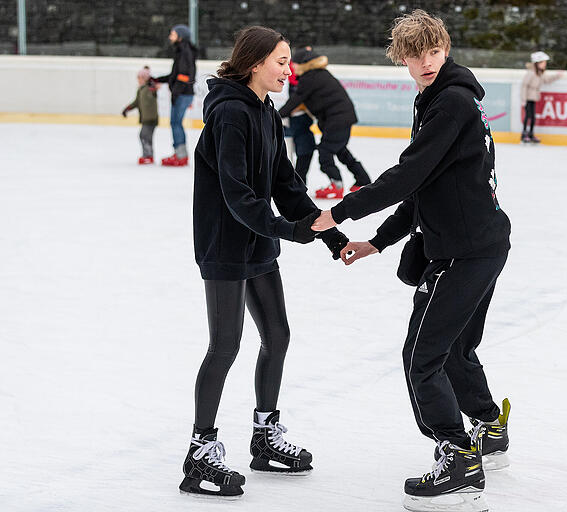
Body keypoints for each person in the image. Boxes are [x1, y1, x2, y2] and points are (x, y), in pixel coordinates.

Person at [311, 10, 511, 512]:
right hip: (479, 244)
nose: (425, 61)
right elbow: (425, 186)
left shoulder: (451, 103)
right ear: (401, 56)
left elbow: (407, 175)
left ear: (445, 49)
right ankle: (489, 426)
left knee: (423, 359)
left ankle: (459, 459)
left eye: (434, 51)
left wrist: (339, 212)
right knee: (456, 351)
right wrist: (379, 241)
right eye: (415, 53)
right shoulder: (440, 99)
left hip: (465, 252)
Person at [179, 25, 350, 498]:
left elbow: (287, 186)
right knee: (226, 344)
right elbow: (238, 197)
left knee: (277, 335)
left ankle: (263, 437)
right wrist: (290, 231)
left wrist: (329, 235)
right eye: (280, 61)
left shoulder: (266, 112)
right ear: (255, 63)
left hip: (258, 246)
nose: (288, 70)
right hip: (225, 245)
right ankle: (199, 453)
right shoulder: (231, 114)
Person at [277, 47, 371, 199]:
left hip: (337, 120)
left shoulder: (309, 78)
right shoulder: (318, 74)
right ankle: (363, 180)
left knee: (325, 152)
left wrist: (275, 115)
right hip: (341, 119)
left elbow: (295, 101)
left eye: (294, 64)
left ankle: (337, 185)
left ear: (303, 64)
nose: (292, 67)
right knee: (340, 150)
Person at [154, 24, 198, 167]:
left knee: (175, 123)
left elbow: (184, 76)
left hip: (183, 94)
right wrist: (158, 80)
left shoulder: (185, 52)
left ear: (180, 36)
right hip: (183, 93)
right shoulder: (182, 51)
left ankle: (181, 155)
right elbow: (175, 75)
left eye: (172, 34)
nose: (170, 37)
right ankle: (180, 153)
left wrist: (176, 92)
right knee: (175, 122)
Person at [282, 57, 316, 184]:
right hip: (288, 119)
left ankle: (298, 183)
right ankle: (295, 183)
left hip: (298, 119)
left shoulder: (302, 73)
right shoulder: (291, 68)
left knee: (304, 151)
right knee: (288, 154)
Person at [520, 51, 563, 143]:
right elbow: (524, 86)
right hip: (528, 98)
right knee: (528, 116)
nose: (544, 65)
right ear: (537, 63)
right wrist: (523, 99)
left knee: (533, 117)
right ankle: (524, 134)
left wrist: (557, 76)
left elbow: (547, 80)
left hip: (534, 98)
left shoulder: (540, 73)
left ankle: (531, 134)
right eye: (543, 63)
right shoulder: (531, 73)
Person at [121, 66, 158, 164]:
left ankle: (148, 155)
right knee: (144, 136)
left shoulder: (149, 88)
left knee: (145, 136)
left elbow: (154, 93)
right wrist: (127, 109)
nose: (138, 80)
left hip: (151, 118)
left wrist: (153, 88)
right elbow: (136, 102)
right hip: (145, 118)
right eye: (138, 78)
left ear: (145, 79)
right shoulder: (140, 90)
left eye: (140, 78)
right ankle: (148, 154)